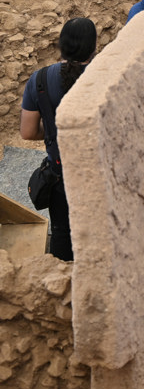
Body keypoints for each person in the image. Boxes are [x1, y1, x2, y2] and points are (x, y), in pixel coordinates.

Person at [19, 17, 97, 262]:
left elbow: (28, 132)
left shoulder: (40, 80)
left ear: (60, 46)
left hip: (61, 174)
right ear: (94, 48)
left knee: (63, 235)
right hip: (101, 173)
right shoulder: (106, 79)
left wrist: (55, 129)